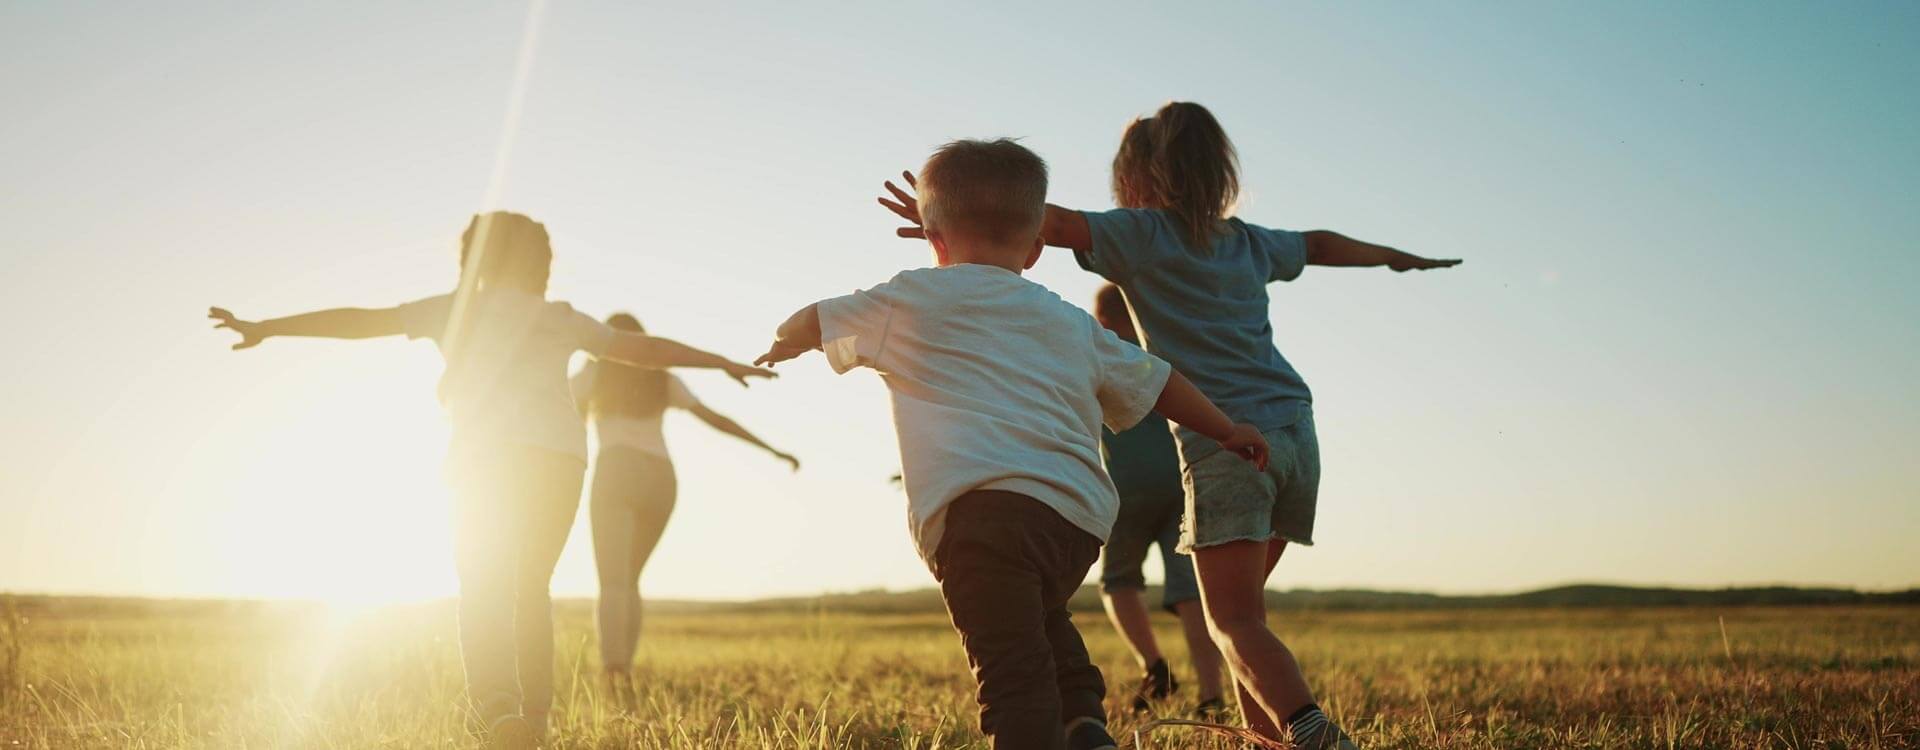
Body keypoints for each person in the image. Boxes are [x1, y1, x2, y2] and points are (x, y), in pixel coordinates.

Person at [878, 103, 1459, 749]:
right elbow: (1320, 243)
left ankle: (1309, 728)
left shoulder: (1141, 233)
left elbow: (1040, 220)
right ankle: (1264, 739)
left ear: (1134, 175)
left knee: (1233, 621)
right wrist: (1396, 257)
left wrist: (948, 219)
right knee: (1244, 617)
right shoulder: (1248, 240)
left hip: (1225, 440)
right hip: (1294, 430)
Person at [761, 139, 1269, 750]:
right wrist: (1226, 429)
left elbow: (816, 318)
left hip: (980, 516)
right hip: (1074, 521)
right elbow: (1160, 380)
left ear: (933, 239)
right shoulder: (1070, 321)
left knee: (1011, 673)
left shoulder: (911, 298)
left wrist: (786, 340)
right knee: (1042, 626)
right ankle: (1084, 723)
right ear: (1034, 249)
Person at [207, 211, 774, 750]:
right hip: (559, 461)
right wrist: (721, 360)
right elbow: (643, 351)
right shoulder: (559, 317)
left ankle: (500, 712)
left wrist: (268, 327)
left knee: (483, 585)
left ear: (474, 258)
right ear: (541, 263)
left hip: (485, 459)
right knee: (531, 589)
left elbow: (361, 320)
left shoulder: (457, 310)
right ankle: (533, 721)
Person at [572, 312, 799, 703]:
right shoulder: (662, 378)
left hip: (617, 470)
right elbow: (716, 419)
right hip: (660, 479)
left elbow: (555, 413)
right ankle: (622, 670)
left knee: (613, 582)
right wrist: (772, 449)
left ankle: (614, 674)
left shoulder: (592, 375)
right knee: (629, 580)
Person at [1088, 283, 1226, 717]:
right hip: (1182, 485)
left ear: (1105, 318)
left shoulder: (1098, 354)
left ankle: (1155, 666)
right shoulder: (1167, 349)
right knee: (1191, 594)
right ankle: (1211, 694)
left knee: (1118, 581)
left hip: (1126, 490)